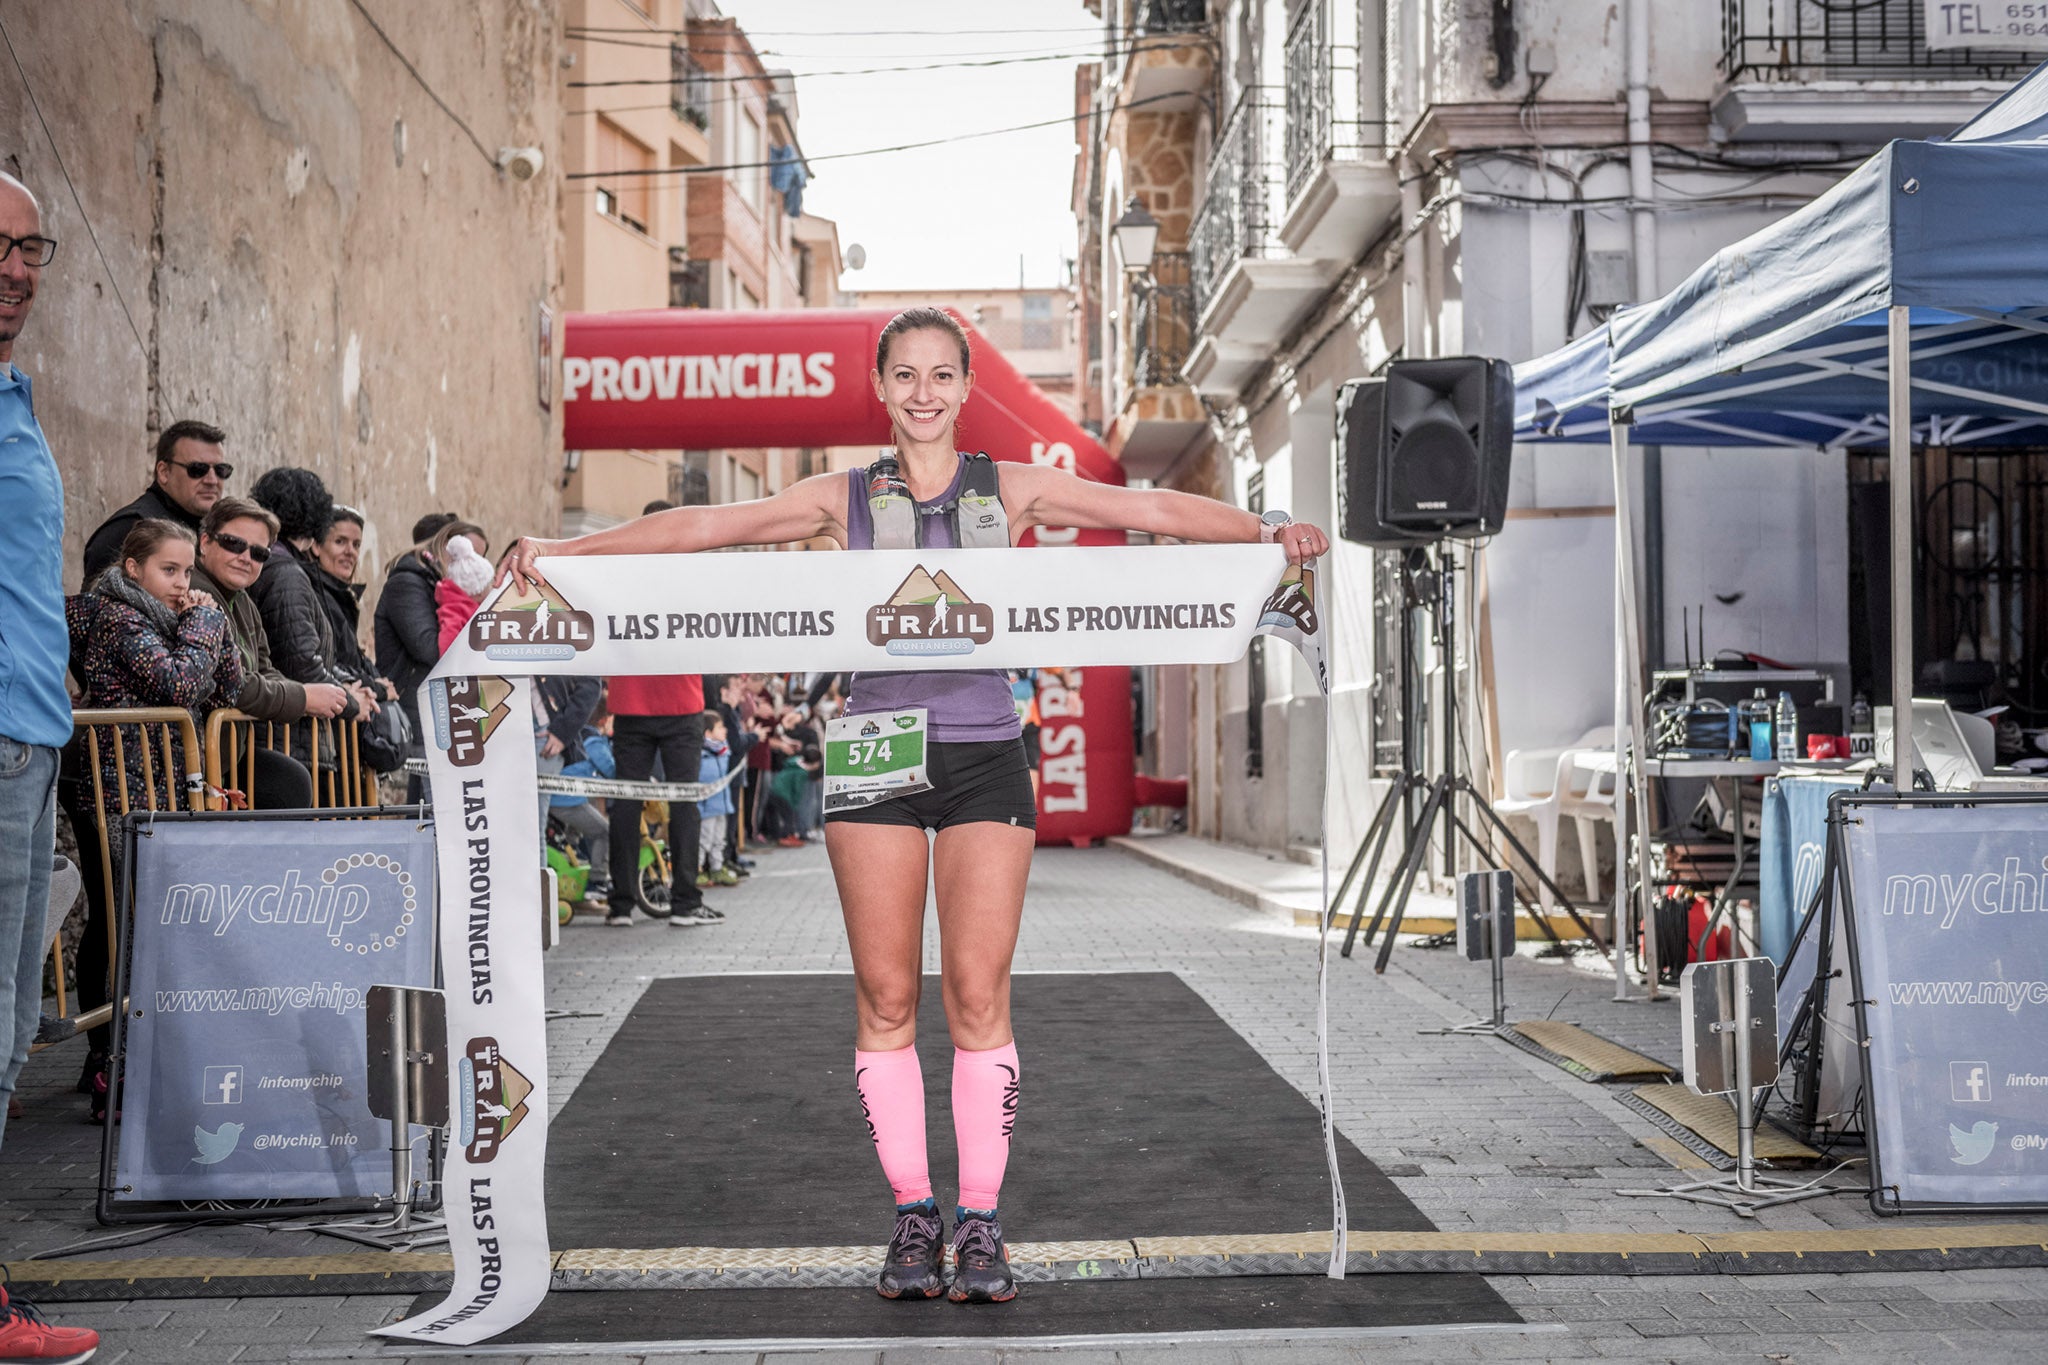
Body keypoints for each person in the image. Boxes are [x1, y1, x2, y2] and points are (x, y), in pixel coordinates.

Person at [498, 306, 1328, 1304]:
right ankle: (911, 1216)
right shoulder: (837, 496)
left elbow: (1145, 513)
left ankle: (979, 1221)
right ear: (881, 389)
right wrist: (565, 550)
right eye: (906, 375)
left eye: (943, 374)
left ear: (965, 387)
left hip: (985, 753)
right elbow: (704, 526)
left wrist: (1264, 532)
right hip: (872, 754)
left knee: (977, 995)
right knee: (886, 997)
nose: (924, 392)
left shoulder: (1008, 487)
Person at [0, 168, 104, 1363]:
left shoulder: (15, 393)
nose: (20, 270)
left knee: (9, 1030)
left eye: (35, 249)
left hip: (31, 741)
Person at [62, 520, 241, 1119]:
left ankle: (131, 1057)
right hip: (113, 791)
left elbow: (227, 688)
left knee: (146, 922)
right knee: (120, 924)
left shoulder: (174, 623)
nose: (182, 582)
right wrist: (206, 622)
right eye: (170, 570)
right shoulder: (115, 617)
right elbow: (179, 680)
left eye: (189, 571)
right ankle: (109, 1063)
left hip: (159, 791)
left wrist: (211, 619)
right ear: (134, 568)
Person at [189, 496, 342, 808]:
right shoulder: (194, 593)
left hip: (225, 754)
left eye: (259, 553)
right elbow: (232, 685)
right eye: (234, 544)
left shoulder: (242, 600)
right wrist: (304, 697)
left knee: (290, 782)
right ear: (205, 542)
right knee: (288, 784)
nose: (246, 557)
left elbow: (263, 668)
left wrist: (298, 693)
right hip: (186, 757)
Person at [247, 467, 379, 723]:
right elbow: (303, 663)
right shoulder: (287, 574)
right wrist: (352, 703)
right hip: (291, 732)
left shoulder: (275, 564)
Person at [80, 418, 231, 584]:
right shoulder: (129, 526)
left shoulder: (210, 531)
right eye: (197, 470)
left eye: (220, 470)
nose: (212, 480)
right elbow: (98, 604)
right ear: (164, 472)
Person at [694, 711, 738, 889]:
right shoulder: (700, 755)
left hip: (722, 804)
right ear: (707, 733)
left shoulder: (722, 751)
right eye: (720, 727)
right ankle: (697, 869)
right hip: (706, 806)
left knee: (719, 839)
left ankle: (717, 868)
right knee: (704, 839)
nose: (725, 731)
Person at [434, 532, 493, 653]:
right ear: (478, 592)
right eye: (488, 585)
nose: (492, 589)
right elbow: (447, 649)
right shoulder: (455, 612)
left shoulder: (462, 606)